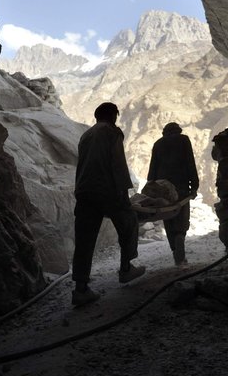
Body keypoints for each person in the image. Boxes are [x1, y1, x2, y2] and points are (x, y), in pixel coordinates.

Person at [71, 102, 145, 307]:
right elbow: (117, 163)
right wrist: (123, 193)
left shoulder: (85, 135)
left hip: (85, 192)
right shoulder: (112, 132)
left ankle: (81, 289)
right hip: (106, 190)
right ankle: (126, 269)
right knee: (128, 222)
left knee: (84, 241)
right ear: (113, 116)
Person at [147, 122, 199, 265]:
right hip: (181, 186)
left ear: (164, 133)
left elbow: (152, 168)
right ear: (178, 131)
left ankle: (175, 250)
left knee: (168, 217)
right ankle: (180, 237)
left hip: (162, 188)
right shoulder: (183, 140)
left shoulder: (158, 144)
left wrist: (150, 188)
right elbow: (190, 163)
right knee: (182, 215)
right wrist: (194, 185)